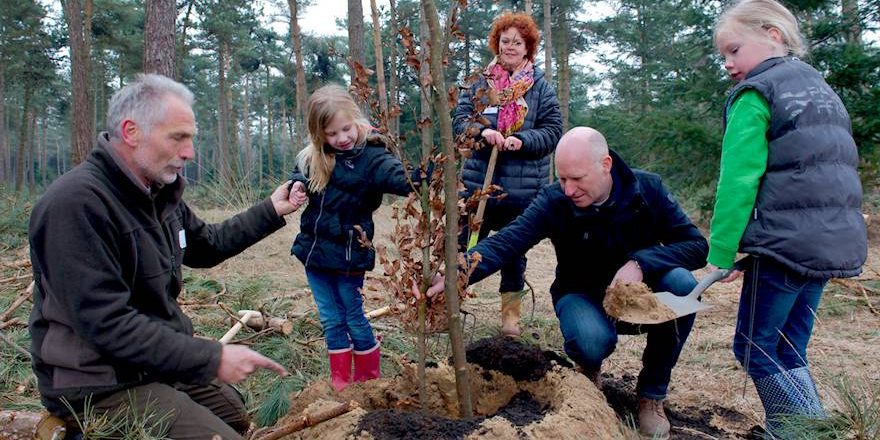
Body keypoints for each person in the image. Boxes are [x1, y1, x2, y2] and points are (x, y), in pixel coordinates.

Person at [28, 74, 307, 439]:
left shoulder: (156, 191)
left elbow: (206, 245)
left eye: (190, 138)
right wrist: (212, 357)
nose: (189, 152)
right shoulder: (75, 205)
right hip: (97, 382)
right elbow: (106, 323)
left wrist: (271, 209)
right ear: (131, 132)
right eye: (178, 138)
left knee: (234, 416)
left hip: (150, 363)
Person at [419, 127, 707, 439]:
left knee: (682, 284)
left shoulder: (647, 189)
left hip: (640, 301)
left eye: (577, 179)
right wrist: (455, 273)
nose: (569, 189)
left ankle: (651, 395)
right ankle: (588, 374)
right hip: (582, 294)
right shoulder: (554, 201)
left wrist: (640, 262)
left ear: (605, 165)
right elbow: (507, 242)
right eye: (563, 178)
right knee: (591, 341)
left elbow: (695, 246)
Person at [709, 0, 867, 436]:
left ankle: (803, 431)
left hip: (783, 244)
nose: (728, 64)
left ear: (772, 34)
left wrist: (721, 252)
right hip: (829, 241)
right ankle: (802, 427)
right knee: (788, 347)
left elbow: (739, 179)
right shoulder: (819, 87)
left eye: (734, 50)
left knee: (754, 347)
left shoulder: (757, 93)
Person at [289, 84, 414, 392]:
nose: (341, 138)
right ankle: (341, 383)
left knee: (353, 316)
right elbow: (298, 176)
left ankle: (369, 381)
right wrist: (295, 186)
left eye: (346, 129)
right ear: (320, 135)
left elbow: (398, 177)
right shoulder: (312, 158)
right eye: (332, 134)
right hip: (315, 256)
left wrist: (422, 178)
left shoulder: (372, 156)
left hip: (349, 256)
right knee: (331, 319)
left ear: (355, 119)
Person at [452, 11, 562, 337]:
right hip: (477, 185)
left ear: (528, 48)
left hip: (521, 192)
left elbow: (553, 131)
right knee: (462, 246)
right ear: (496, 44)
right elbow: (460, 123)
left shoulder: (540, 88)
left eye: (517, 42)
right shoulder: (479, 83)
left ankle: (510, 317)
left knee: (513, 253)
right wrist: (481, 133)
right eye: (505, 41)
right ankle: (449, 305)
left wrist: (523, 140)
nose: (510, 46)